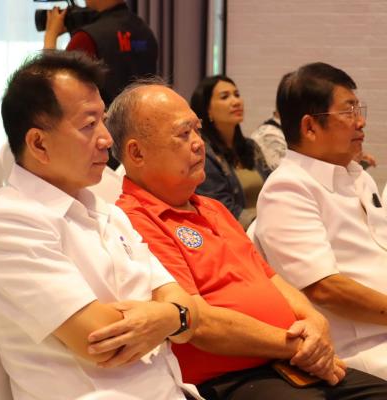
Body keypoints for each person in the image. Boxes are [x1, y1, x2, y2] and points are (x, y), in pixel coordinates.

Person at [91, 78, 387, 400]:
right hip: (231, 379)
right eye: (183, 134)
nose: (198, 143)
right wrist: (296, 344)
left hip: (291, 361)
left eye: (197, 130)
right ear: (137, 153)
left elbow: (273, 279)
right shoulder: (133, 219)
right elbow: (198, 321)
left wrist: (315, 323)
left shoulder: (212, 208)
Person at [0, 50, 201, 400]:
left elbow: (189, 310)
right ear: (39, 143)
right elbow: (102, 341)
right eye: (89, 125)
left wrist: (168, 316)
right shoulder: (9, 222)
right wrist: (172, 317)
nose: (106, 139)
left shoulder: (106, 211)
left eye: (103, 120)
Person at [255, 62, 387, 380]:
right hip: (360, 351)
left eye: (358, 109)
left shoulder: (358, 176)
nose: (361, 121)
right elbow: (326, 289)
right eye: (348, 111)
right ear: (310, 127)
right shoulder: (287, 188)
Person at [44, 0, 158, 169]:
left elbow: (56, 87)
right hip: (142, 137)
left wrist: (50, 36)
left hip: (101, 143)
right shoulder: (145, 33)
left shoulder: (86, 38)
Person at [190, 75, 271, 228]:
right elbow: (221, 207)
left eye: (237, 94)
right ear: (208, 110)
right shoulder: (203, 153)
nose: (236, 102)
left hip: (267, 225)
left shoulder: (251, 146)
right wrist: (264, 226)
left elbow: (272, 187)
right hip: (239, 230)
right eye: (225, 97)